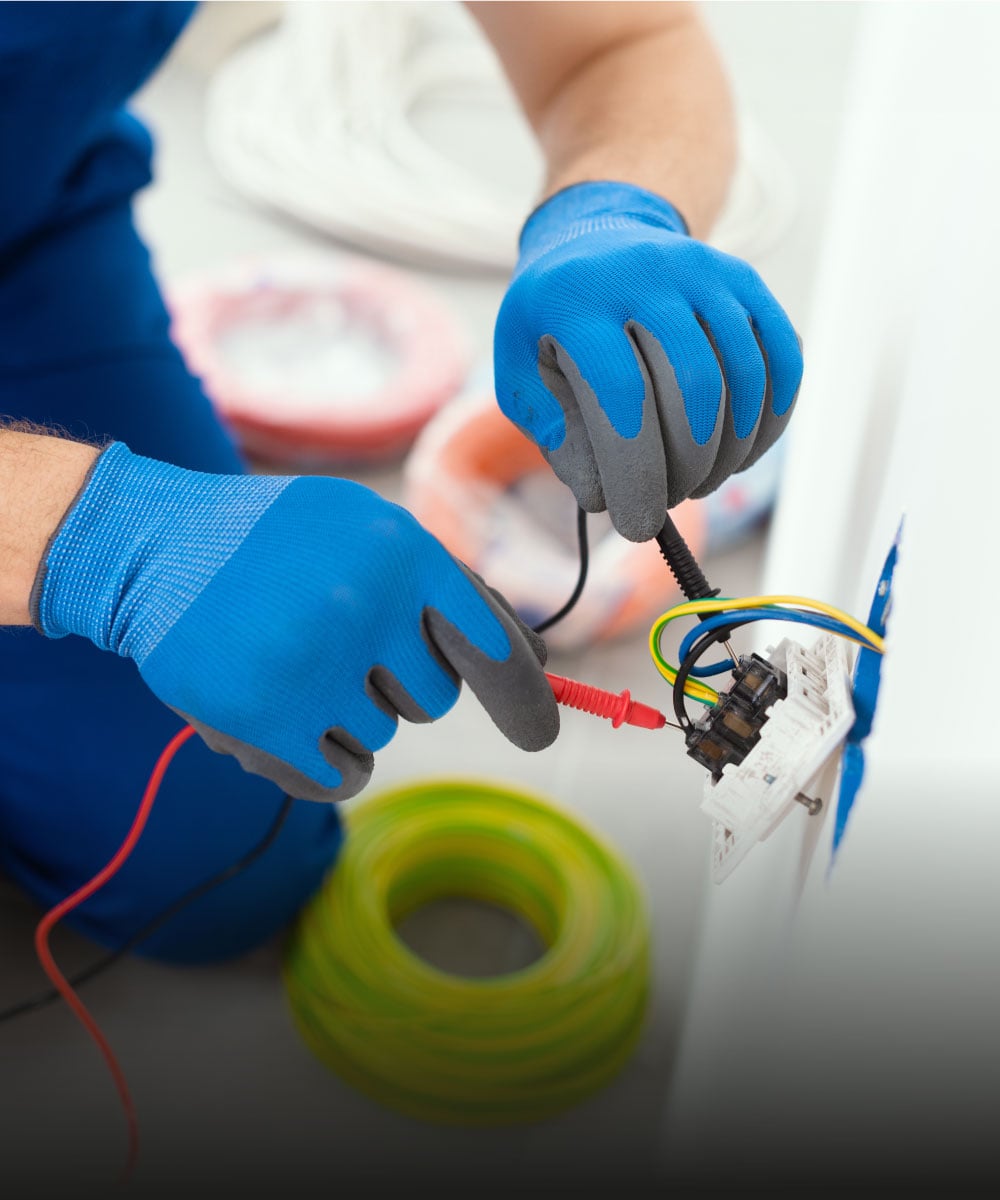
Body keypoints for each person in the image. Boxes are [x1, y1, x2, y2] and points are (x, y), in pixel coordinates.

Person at [0, 2, 801, 962]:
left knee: (223, 859)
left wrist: (614, 210)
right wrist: (99, 539)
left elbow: (621, 40)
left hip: (27, 233)